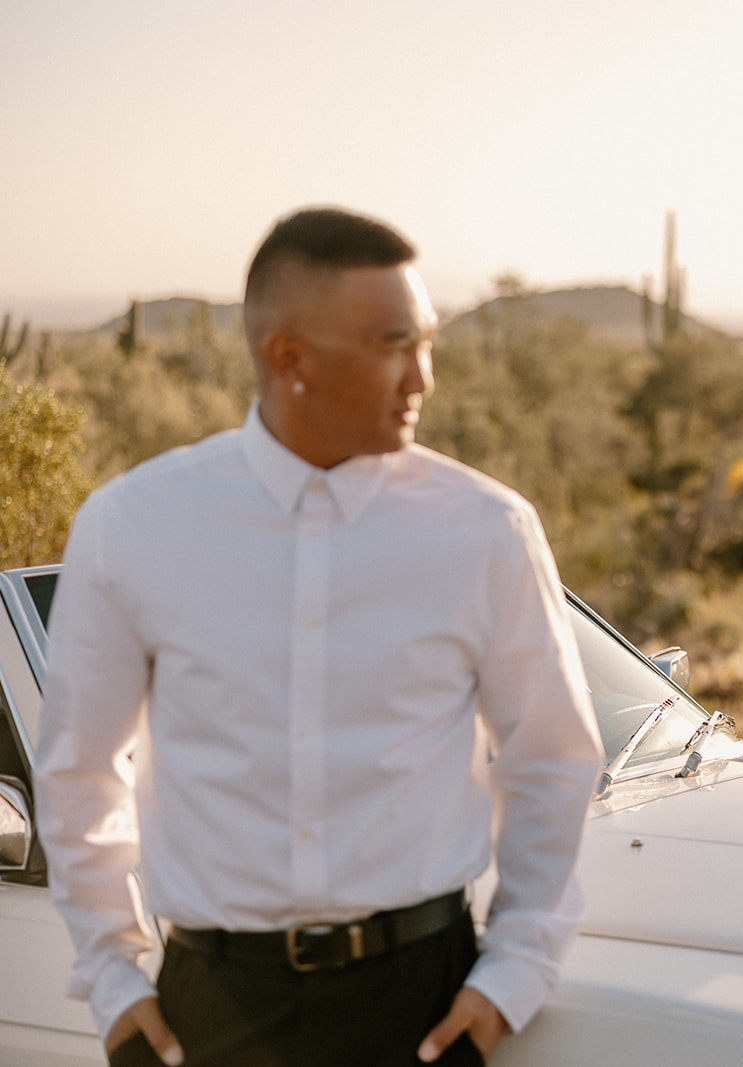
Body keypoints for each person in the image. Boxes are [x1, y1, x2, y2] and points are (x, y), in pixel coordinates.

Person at [33, 207, 605, 1066]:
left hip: (424, 1008)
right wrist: (114, 984)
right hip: (206, 1016)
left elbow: (553, 756)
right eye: (392, 344)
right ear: (288, 358)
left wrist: (512, 974)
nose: (423, 377)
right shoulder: (133, 527)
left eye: (428, 342)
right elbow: (79, 769)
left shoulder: (485, 530)